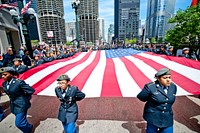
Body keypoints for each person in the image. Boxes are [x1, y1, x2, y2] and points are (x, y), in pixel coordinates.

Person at [137, 68, 177, 133]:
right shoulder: (150, 87)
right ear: (158, 78)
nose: (168, 80)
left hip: (167, 118)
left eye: (169, 77)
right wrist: (151, 99)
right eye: (165, 78)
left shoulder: (173, 87)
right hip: (153, 117)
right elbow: (141, 97)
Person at [0, 67, 35, 133]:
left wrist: (25, 99)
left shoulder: (19, 82)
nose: (3, 76)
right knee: (21, 120)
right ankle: (28, 126)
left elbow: (31, 90)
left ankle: (28, 130)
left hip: (21, 105)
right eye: (2, 75)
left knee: (19, 123)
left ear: (11, 74)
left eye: (5, 74)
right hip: (13, 105)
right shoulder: (4, 84)